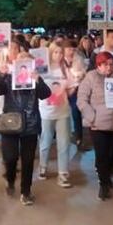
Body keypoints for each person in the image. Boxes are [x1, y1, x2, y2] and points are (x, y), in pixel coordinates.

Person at [0, 52, 51, 206]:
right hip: (11, 122)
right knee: (9, 157)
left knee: (28, 160)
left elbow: (46, 94)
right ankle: (10, 179)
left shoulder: (35, 79)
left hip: (30, 124)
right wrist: (0, 74)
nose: (24, 67)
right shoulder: (8, 78)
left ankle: (26, 191)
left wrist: (38, 80)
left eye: (28, 63)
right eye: (21, 63)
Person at [77, 52, 113, 200]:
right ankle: (104, 184)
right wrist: (92, 117)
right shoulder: (91, 77)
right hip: (98, 124)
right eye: (105, 64)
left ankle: (107, 175)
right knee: (102, 155)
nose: (109, 67)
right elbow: (82, 100)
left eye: (111, 64)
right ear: (98, 65)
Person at [38, 43, 76, 188]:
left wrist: (65, 92)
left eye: (61, 52)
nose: (58, 55)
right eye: (56, 52)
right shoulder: (42, 69)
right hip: (46, 112)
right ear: (50, 53)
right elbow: (36, 86)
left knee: (64, 143)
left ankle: (63, 173)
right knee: (45, 142)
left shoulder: (65, 69)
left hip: (63, 111)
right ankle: (42, 167)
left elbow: (72, 86)